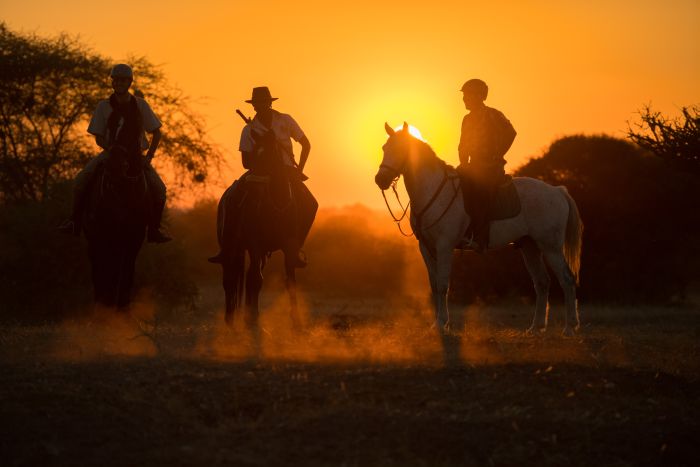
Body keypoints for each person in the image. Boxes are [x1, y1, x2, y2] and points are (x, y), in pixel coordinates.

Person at [58, 63, 171, 243]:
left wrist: (148, 157)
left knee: (160, 189)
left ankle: (154, 229)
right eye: (116, 80)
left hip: (135, 156)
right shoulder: (103, 106)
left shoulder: (141, 105)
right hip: (110, 154)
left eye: (122, 80)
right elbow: (98, 137)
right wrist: (111, 149)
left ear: (129, 82)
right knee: (81, 180)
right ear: (112, 82)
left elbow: (156, 132)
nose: (118, 83)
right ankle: (74, 222)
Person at [208, 86, 317, 266]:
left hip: (287, 171)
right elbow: (245, 162)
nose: (260, 106)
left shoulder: (285, 120)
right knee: (231, 197)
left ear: (269, 103)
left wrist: (299, 169)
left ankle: (296, 248)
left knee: (311, 204)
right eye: (257, 103)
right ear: (254, 106)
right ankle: (226, 249)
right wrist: (262, 158)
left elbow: (306, 144)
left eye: (263, 102)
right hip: (259, 172)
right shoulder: (248, 129)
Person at [457, 78, 516, 251]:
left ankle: (480, 238)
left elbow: (511, 133)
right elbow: (463, 144)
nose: (465, 99)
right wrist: (463, 163)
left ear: (480, 96)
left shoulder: (493, 114)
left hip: (491, 168)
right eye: (464, 96)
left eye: (468, 95)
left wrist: (498, 154)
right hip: (472, 167)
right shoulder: (466, 119)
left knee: (480, 192)